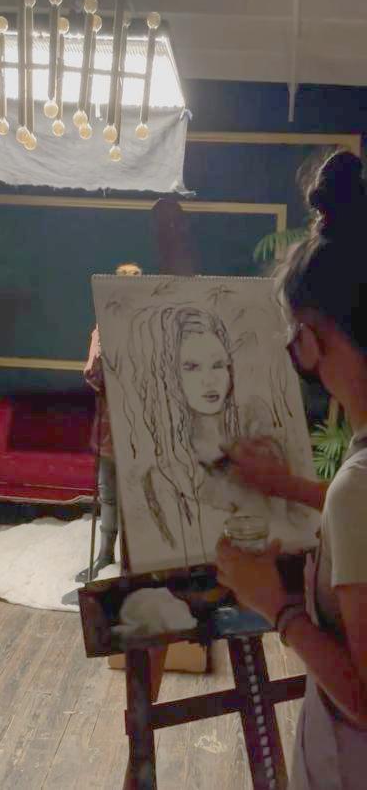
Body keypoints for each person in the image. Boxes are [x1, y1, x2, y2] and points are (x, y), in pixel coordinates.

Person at [216, 149, 367, 789]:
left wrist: (276, 606)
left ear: (309, 337)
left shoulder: (356, 491)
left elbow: (364, 702)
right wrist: (286, 487)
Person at [124, 304, 285, 564]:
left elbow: (289, 529)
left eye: (218, 365)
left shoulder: (258, 443)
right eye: (191, 367)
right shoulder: (165, 475)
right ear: (170, 376)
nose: (209, 380)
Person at [75, 262, 142, 583]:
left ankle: (134, 558)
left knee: (135, 496)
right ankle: (105, 553)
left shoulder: (146, 325)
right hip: (109, 419)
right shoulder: (102, 328)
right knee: (108, 493)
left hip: (138, 422)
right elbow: (91, 374)